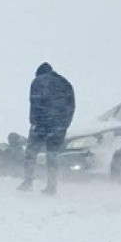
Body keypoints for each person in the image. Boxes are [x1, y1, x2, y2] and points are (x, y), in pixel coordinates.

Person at [18, 62, 75, 195]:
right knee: (53, 155)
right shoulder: (65, 83)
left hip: (42, 124)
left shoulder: (38, 81)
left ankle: (28, 181)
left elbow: (35, 102)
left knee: (31, 153)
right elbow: (72, 106)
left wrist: (33, 122)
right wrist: (65, 124)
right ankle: (52, 186)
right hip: (59, 126)